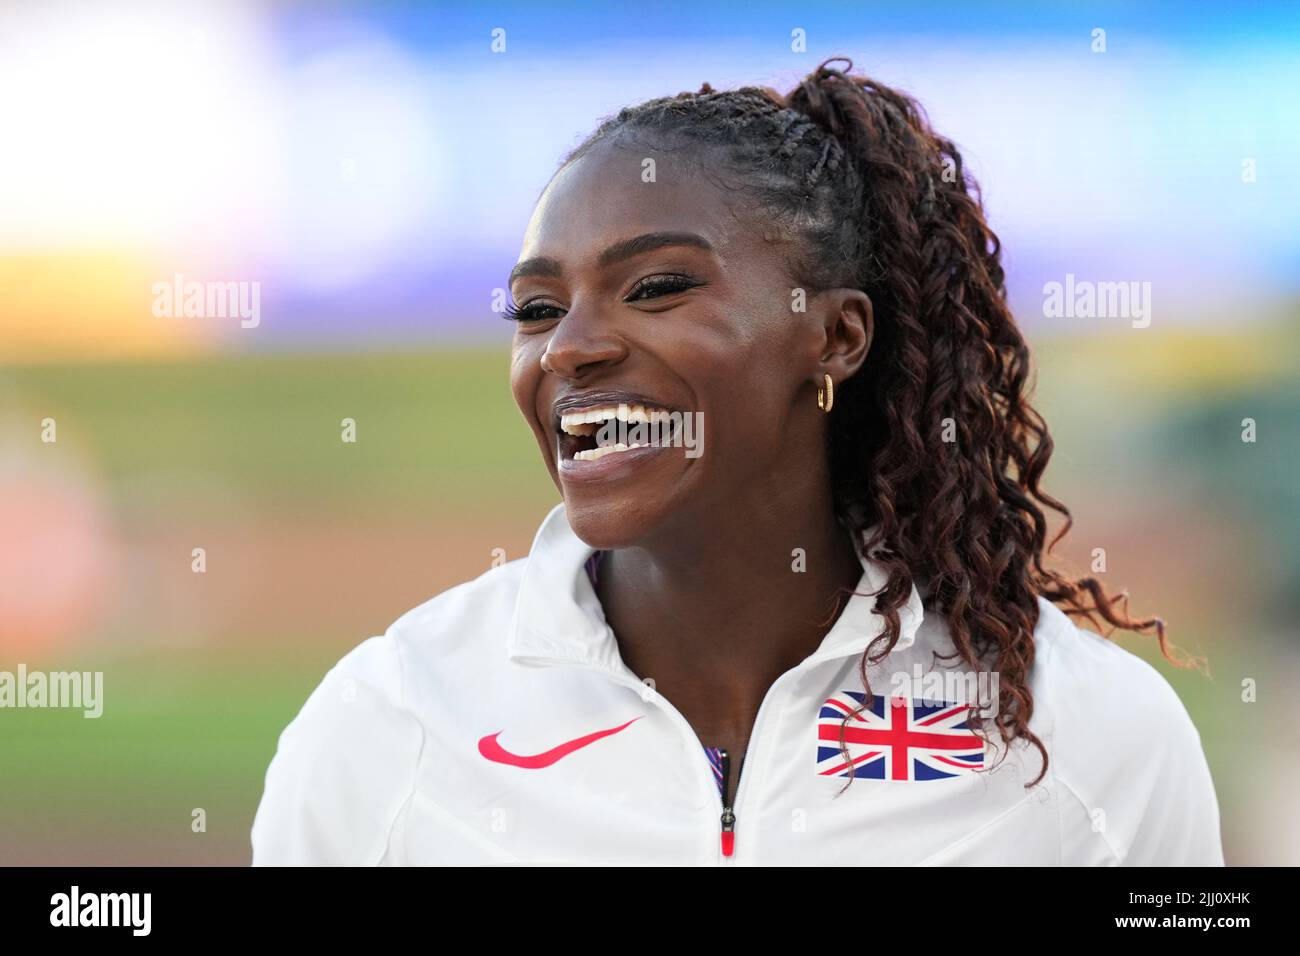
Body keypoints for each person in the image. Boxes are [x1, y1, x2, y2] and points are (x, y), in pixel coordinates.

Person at [251, 58, 1223, 865]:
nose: (567, 348)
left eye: (656, 287)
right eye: (538, 308)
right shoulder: (393, 721)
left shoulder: (1085, 734)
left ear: (834, 335)